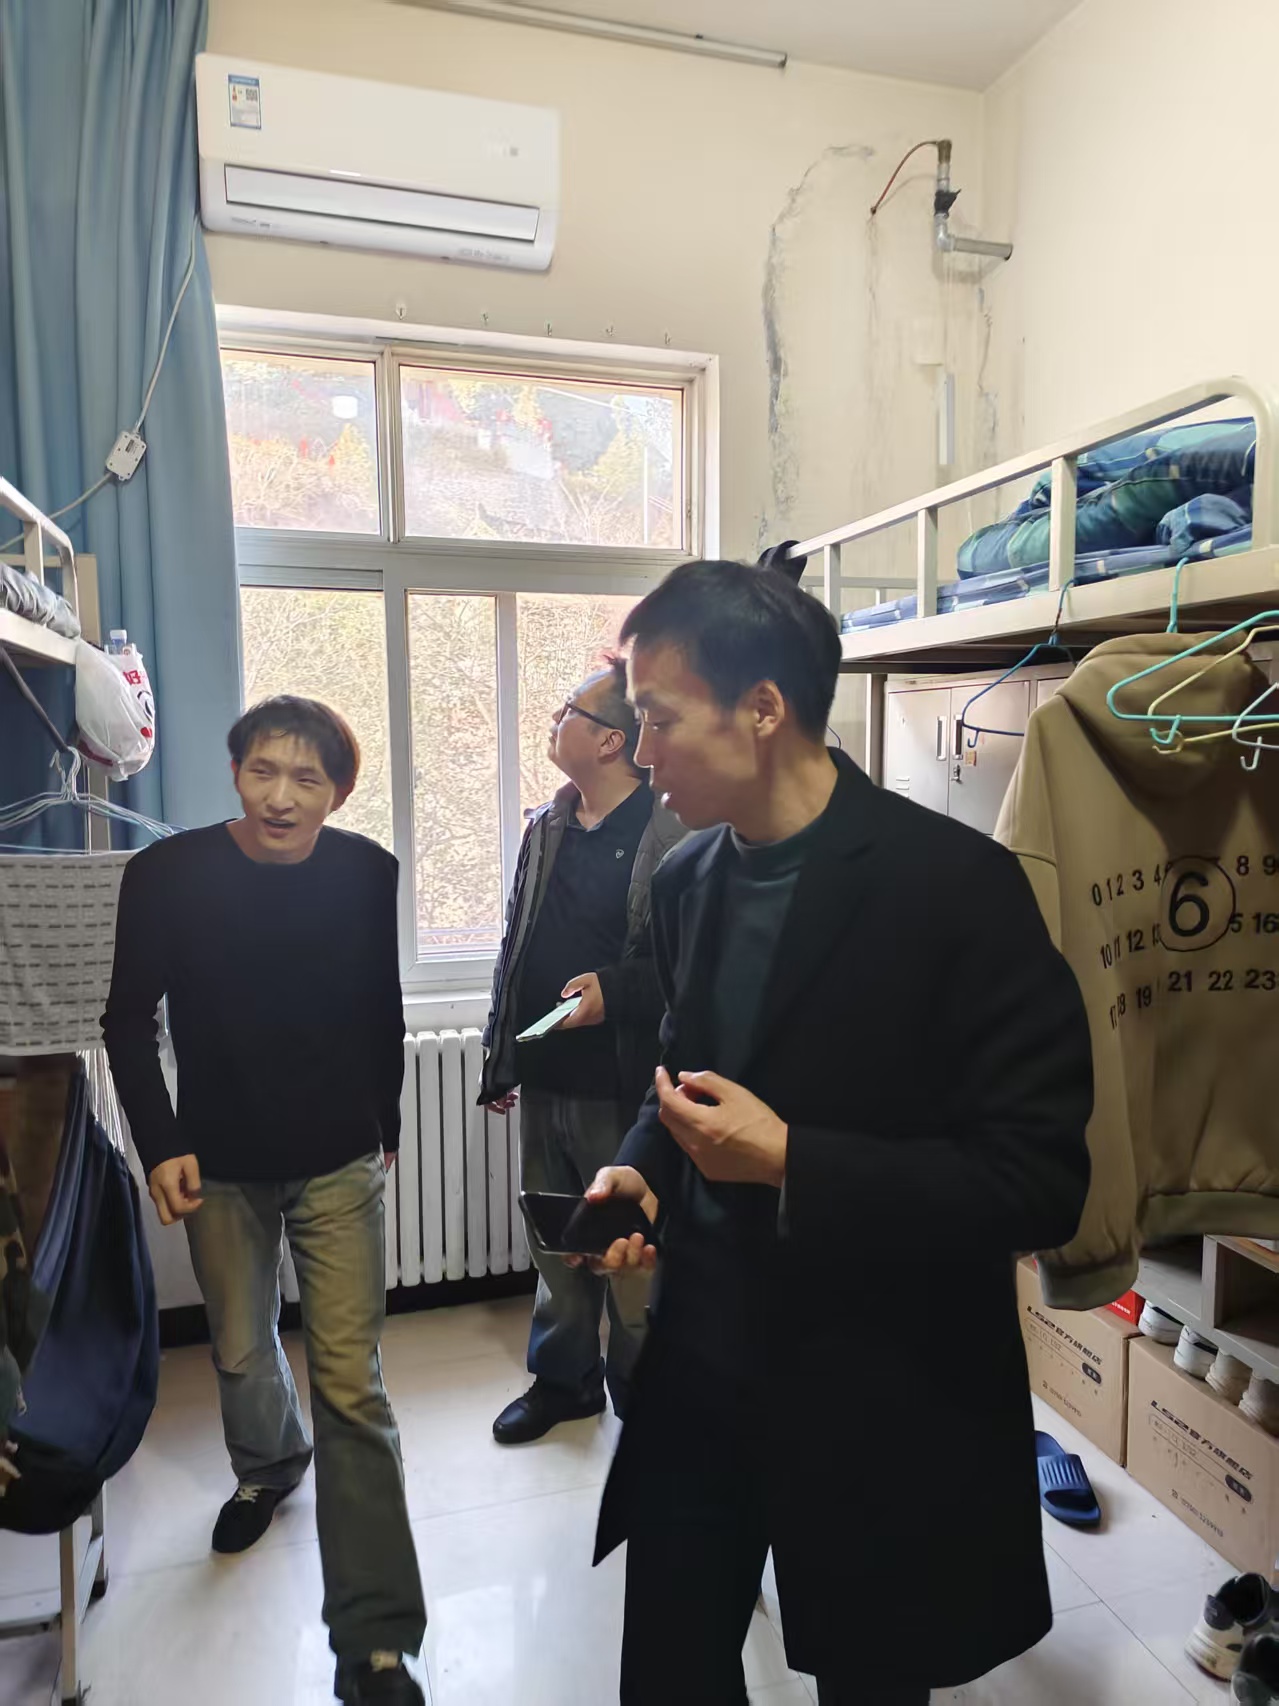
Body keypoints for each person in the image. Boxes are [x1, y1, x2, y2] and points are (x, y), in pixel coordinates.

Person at [579, 560, 1095, 1706]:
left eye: (658, 717)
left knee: (870, 1676)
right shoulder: (689, 880)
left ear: (762, 708)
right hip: (701, 1359)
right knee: (668, 1667)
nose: (640, 751)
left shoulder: (957, 888)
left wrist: (793, 1160)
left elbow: (1038, 1178)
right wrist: (641, 1163)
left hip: (881, 1382)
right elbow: (679, 1073)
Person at [102, 697, 426, 1706]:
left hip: (336, 1157)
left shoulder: (366, 872)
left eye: (307, 779)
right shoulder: (166, 875)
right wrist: (161, 1143)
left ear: (338, 791)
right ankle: (268, 1464)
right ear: (235, 769)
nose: (281, 797)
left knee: (352, 1387)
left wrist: (385, 1124)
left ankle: (376, 1641)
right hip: (220, 1161)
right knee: (240, 1348)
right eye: (263, 771)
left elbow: (380, 1006)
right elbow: (126, 1020)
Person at [480, 658, 684, 1445]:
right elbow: (516, 948)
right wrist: (502, 1055)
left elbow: (688, 972)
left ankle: (645, 1399)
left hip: (625, 1089)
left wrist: (614, 991)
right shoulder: (548, 824)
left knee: (628, 1258)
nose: (552, 720)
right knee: (556, 1245)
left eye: (567, 710)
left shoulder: (672, 833)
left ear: (609, 742)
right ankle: (564, 1384)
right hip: (548, 1075)